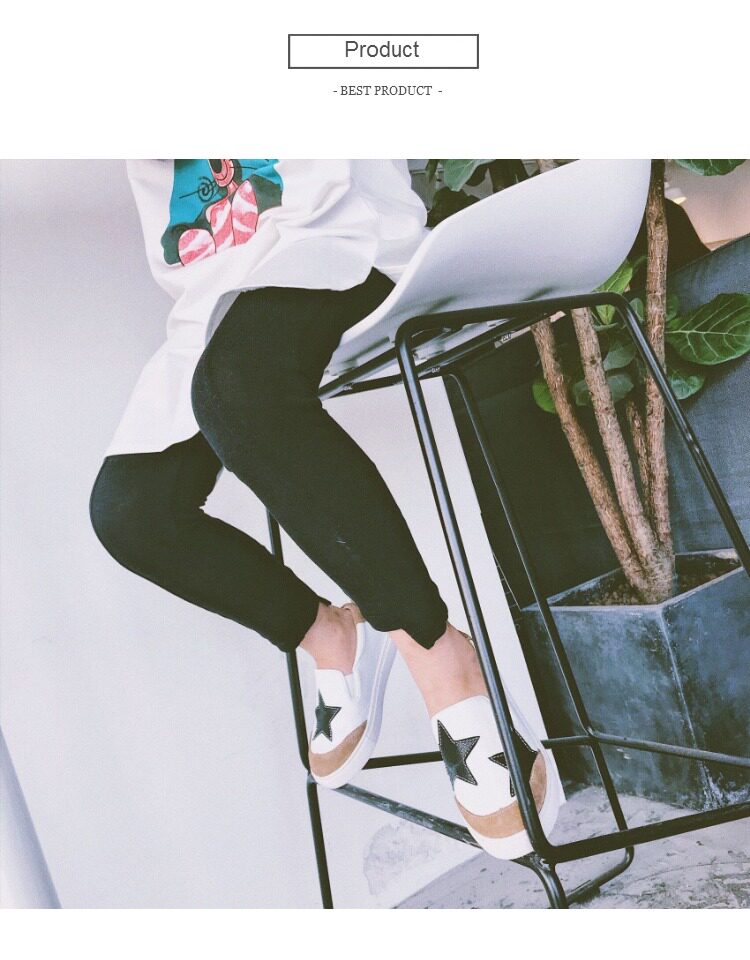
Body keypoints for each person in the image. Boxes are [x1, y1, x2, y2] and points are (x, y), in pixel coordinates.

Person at [89, 159, 560, 859]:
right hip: (217, 287)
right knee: (131, 511)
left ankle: (441, 654)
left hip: (335, 232)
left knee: (239, 391)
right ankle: (329, 635)